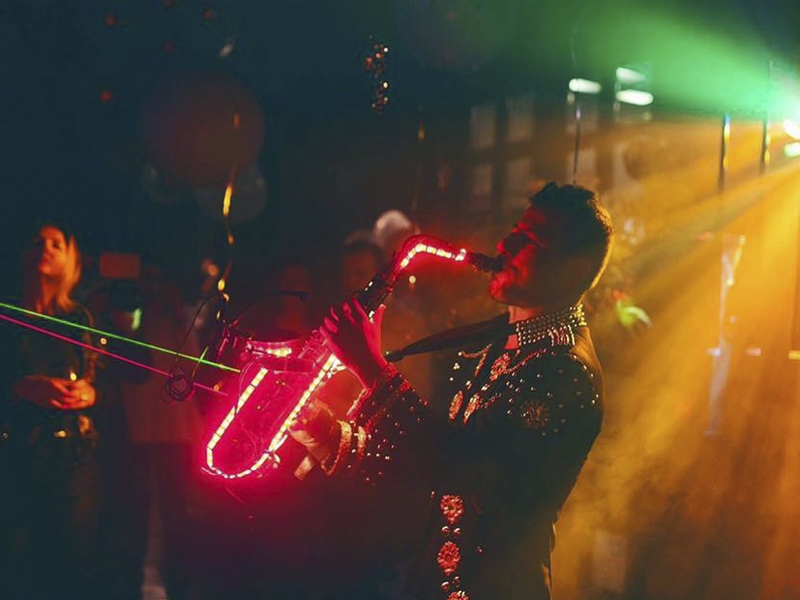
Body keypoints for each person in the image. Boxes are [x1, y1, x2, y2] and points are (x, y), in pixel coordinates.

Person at [291, 182, 613, 600]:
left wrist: (371, 367)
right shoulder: (497, 341)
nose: (505, 244)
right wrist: (323, 431)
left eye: (530, 240)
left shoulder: (565, 370)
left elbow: (459, 467)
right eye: (515, 230)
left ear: (573, 269)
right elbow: (422, 462)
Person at [0, 221, 101, 600]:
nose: (45, 249)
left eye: (56, 244)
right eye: (37, 241)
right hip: (14, 458)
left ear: (69, 257)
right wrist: (19, 387)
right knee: (16, 569)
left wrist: (89, 393)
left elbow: (99, 379)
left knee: (71, 569)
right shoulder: (7, 315)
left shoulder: (79, 319)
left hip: (72, 460)